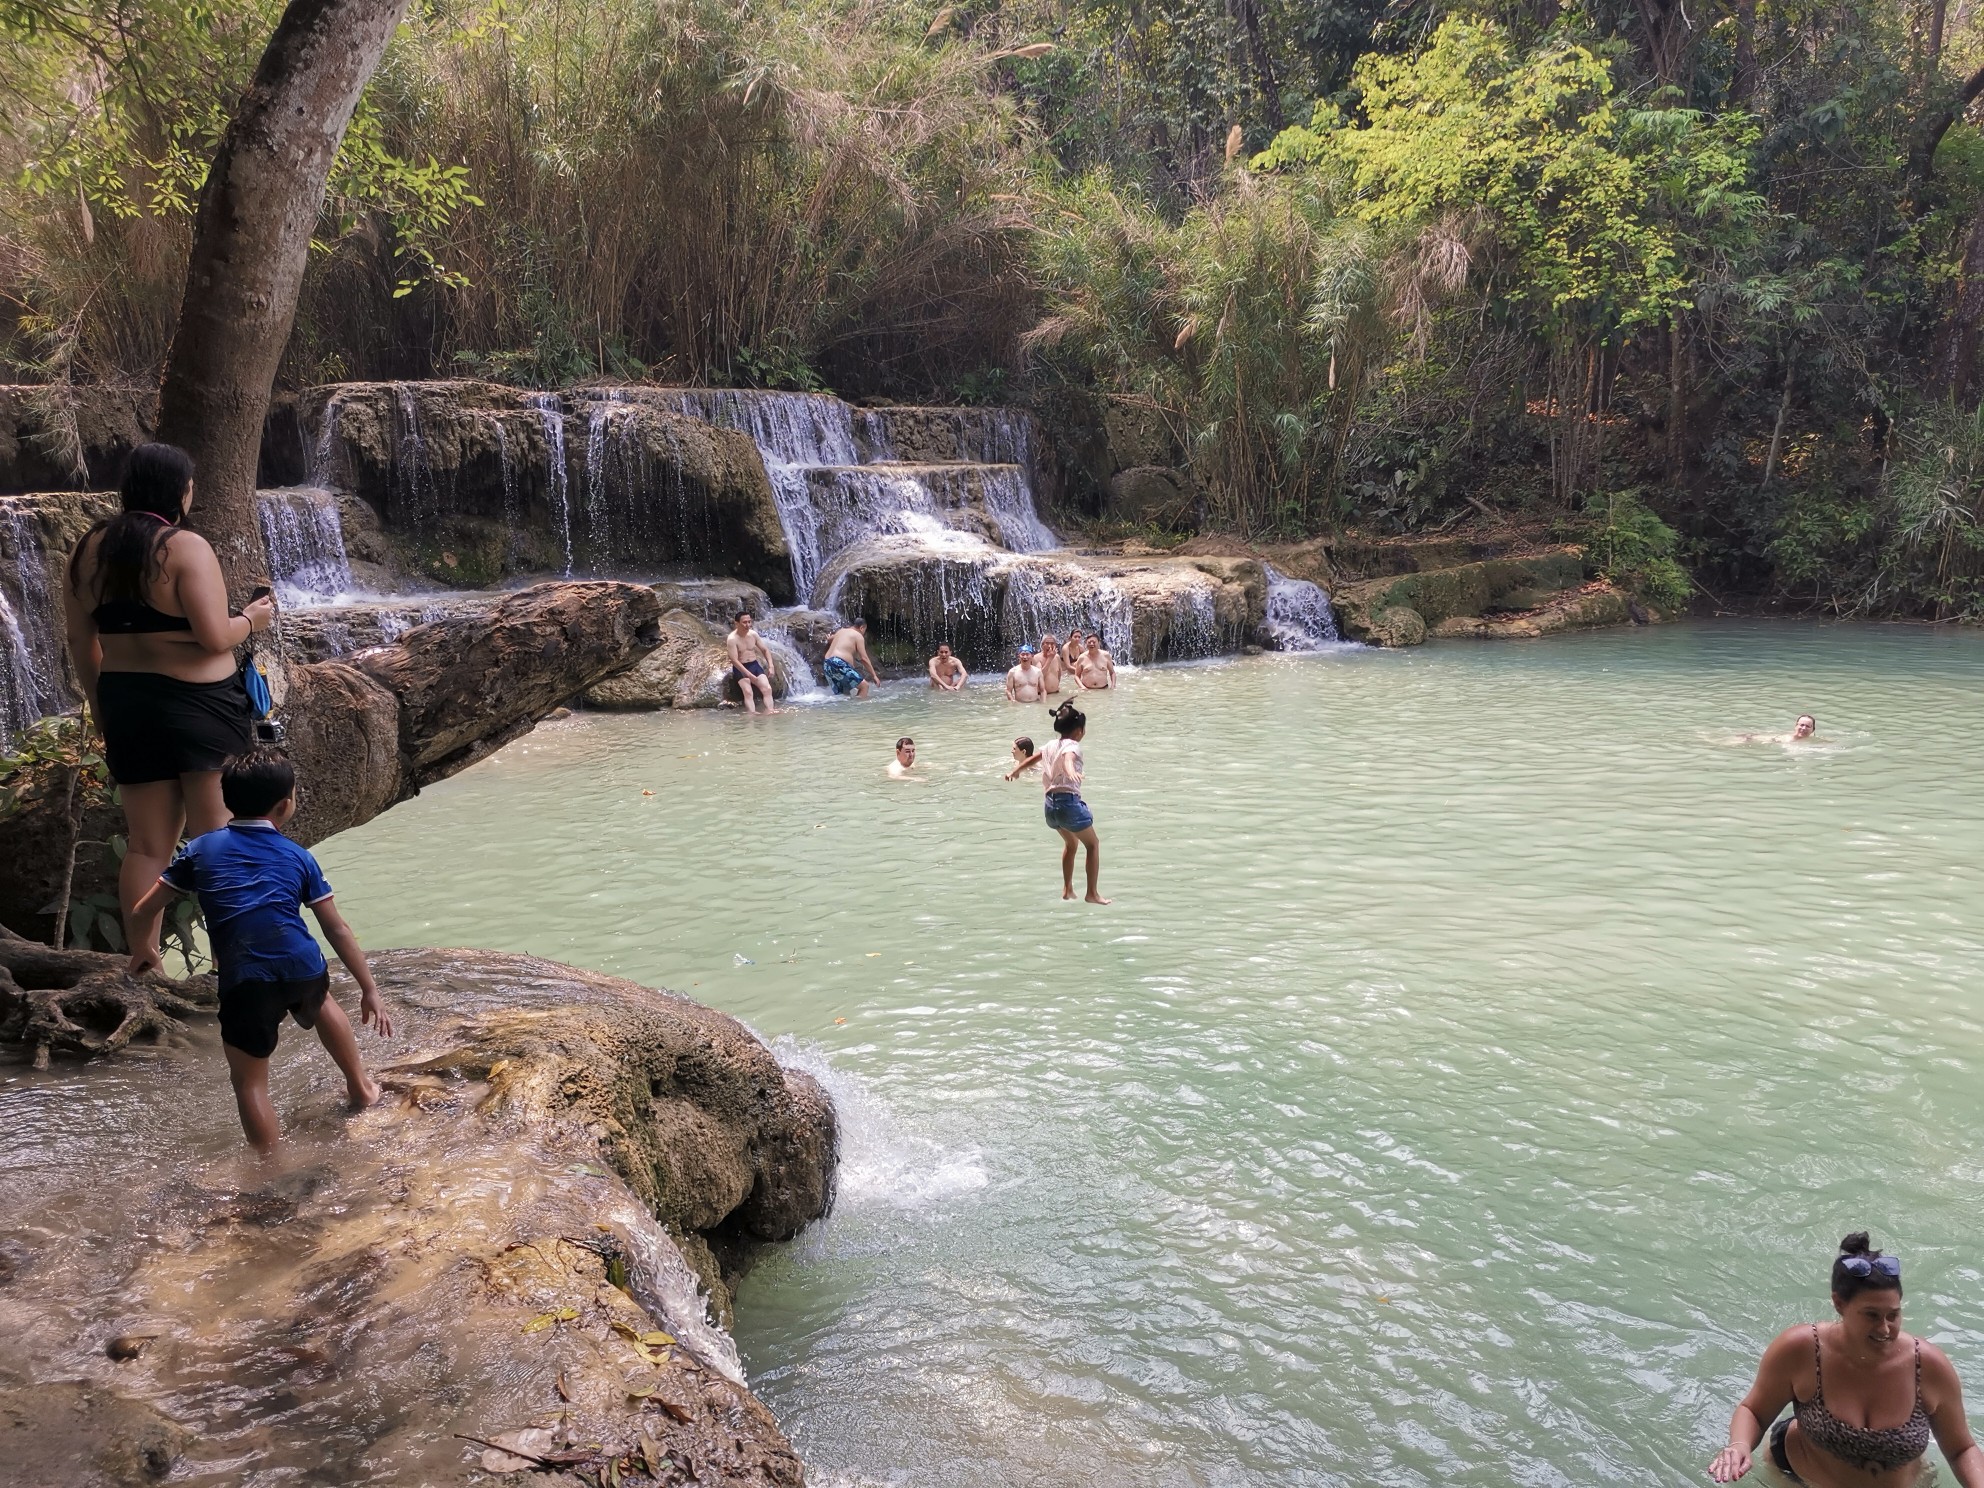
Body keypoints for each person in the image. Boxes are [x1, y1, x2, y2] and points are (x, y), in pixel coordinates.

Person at [62, 443, 276, 957]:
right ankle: (240, 963)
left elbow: (79, 641)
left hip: (127, 703)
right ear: (181, 490)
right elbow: (214, 637)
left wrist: (101, 710)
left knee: (146, 846)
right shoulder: (184, 547)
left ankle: (144, 965)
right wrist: (252, 619)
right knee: (219, 838)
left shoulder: (87, 549)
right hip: (202, 708)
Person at [125, 752, 394, 1154]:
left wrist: (145, 946)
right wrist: (368, 987)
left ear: (227, 800)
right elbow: (335, 926)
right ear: (286, 804)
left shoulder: (199, 850)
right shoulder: (298, 856)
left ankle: (268, 1161)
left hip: (246, 977)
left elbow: (145, 907)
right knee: (321, 1000)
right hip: (302, 964)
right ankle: (361, 1089)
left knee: (250, 1082)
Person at [1709, 1232, 1984, 1487]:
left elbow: (1961, 1449)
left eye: (1893, 1315)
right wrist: (1740, 1445)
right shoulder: (1800, 1349)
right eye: (1871, 1315)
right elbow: (1754, 1411)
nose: (1885, 1328)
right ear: (1839, 1304)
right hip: (1798, 1477)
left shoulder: (1929, 1366)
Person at [1008, 700, 1109, 904]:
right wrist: (1071, 771)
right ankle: (1092, 893)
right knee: (1093, 844)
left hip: (1050, 807)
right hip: (1067, 803)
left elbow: (1033, 759)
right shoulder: (1073, 746)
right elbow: (1068, 758)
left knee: (1071, 844)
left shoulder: (1050, 745)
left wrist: (1016, 770)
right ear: (1080, 731)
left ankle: (1067, 889)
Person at [725, 611, 779, 714]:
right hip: (740, 667)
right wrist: (749, 675)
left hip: (754, 665)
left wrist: (771, 665)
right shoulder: (732, 639)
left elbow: (765, 650)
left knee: (767, 689)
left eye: (749, 622)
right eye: (744, 622)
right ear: (737, 623)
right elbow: (734, 660)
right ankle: (752, 714)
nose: (748, 625)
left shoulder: (753, 634)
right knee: (748, 692)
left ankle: (770, 711)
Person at [823, 619, 880, 699]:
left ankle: (843, 711)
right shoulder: (858, 635)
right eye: (864, 630)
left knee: (843, 695)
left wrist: (829, 640)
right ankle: (858, 710)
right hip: (838, 663)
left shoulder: (841, 631)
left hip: (827, 665)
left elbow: (830, 639)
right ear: (862, 628)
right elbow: (864, 658)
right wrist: (874, 675)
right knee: (864, 686)